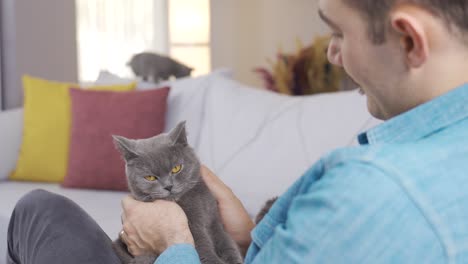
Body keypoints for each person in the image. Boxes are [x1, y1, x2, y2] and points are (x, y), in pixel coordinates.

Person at [7, 0, 468, 263]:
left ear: (409, 40)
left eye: (340, 35)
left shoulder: (371, 192)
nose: (332, 55)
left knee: (36, 211)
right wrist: (247, 238)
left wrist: (174, 242)